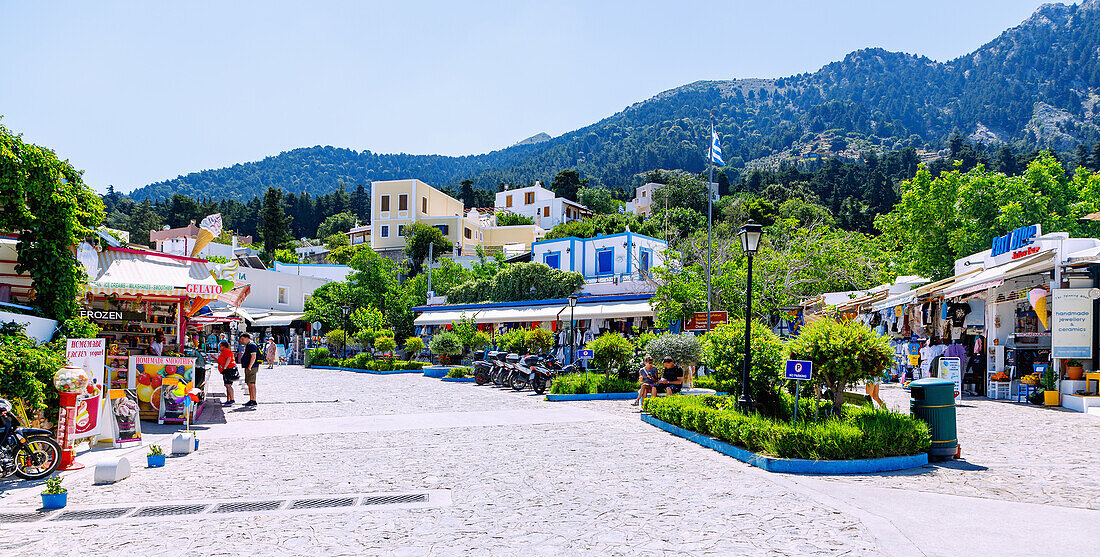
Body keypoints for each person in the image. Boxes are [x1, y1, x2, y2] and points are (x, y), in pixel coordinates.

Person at [238, 333, 260, 407]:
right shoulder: (248, 345)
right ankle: (251, 400)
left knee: (251, 383)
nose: (242, 341)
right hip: (248, 367)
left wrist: (250, 366)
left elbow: (253, 356)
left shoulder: (252, 345)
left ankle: (253, 401)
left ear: (247, 338)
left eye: (243, 339)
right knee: (249, 383)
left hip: (252, 367)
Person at [216, 341, 238, 406]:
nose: (219, 347)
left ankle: (232, 399)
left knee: (228, 385)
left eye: (220, 346)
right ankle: (228, 400)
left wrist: (225, 367)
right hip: (226, 370)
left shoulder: (227, 351)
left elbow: (229, 358)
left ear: (223, 346)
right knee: (227, 385)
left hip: (229, 370)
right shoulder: (223, 352)